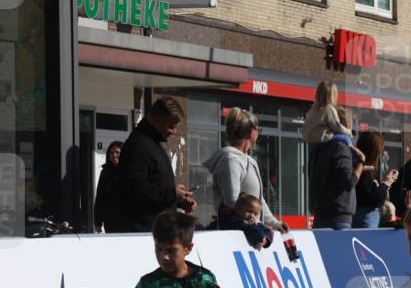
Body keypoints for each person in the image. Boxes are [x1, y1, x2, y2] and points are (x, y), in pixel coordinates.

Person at [119, 97, 198, 232]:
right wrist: (172, 195)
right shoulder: (139, 145)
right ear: (156, 119)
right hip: (143, 232)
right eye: (170, 126)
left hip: (154, 229)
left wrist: (178, 198)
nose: (173, 132)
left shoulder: (151, 143)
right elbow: (137, 189)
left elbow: (151, 186)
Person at [205, 107, 289, 235]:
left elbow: (258, 200)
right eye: (258, 129)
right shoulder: (230, 161)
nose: (259, 133)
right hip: (236, 235)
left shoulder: (248, 160)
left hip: (250, 232)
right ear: (250, 133)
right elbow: (232, 202)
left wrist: (274, 223)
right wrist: (257, 228)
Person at [310, 107, 362, 230]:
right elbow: (349, 182)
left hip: (321, 213)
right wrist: (361, 162)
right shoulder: (340, 147)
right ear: (346, 125)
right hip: (338, 218)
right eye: (350, 124)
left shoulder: (319, 147)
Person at [302, 80, 364, 163]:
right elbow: (337, 127)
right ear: (333, 96)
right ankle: (354, 159)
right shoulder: (329, 109)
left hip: (310, 140)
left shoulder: (313, 109)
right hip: (322, 139)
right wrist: (348, 131)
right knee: (345, 138)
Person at [353, 131, 398, 228]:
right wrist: (387, 182)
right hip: (365, 219)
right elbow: (374, 199)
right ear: (374, 151)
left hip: (367, 218)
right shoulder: (363, 171)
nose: (381, 155)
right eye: (380, 151)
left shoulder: (365, 170)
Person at [94, 140, 124, 233]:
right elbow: (100, 198)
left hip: (127, 219)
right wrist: (97, 223)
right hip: (110, 220)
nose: (114, 155)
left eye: (117, 152)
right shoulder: (105, 172)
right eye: (111, 153)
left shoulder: (130, 170)